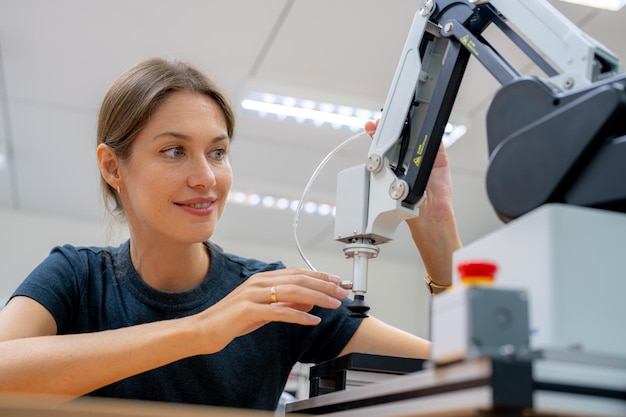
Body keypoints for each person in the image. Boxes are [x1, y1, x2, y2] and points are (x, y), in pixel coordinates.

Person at [0, 58, 462, 410]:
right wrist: (202, 329)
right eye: (174, 150)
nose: (206, 178)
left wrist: (438, 223)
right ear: (112, 166)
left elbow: (467, 367)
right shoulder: (77, 276)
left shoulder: (275, 297)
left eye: (217, 152)